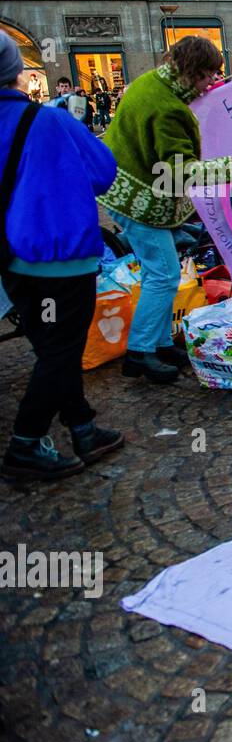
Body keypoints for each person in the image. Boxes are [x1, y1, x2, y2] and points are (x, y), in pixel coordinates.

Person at [99, 36, 232, 383]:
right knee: (164, 274)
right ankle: (140, 352)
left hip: (127, 190)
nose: (211, 84)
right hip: (139, 200)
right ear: (191, 72)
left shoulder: (152, 82)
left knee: (159, 271)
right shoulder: (167, 108)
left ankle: (157, 343)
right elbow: (179, 170)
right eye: (207, 76)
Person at [0, 32, 124, 480]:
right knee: (60, 351)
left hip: (9, 260)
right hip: (56, 254)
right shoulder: (47, 120)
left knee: (54, 347)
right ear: (16, 71)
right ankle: (25, 443)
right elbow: (103, 171)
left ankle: (83, 426)